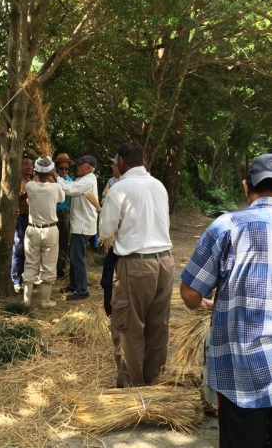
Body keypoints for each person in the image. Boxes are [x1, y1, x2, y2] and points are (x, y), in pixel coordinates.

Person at [180, 154, 272, 448]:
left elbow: (190, 293)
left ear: (247, 186)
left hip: (243, 373)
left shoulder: (227, 226)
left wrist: (207, 304)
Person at [99, 142, 174, 387]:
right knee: (157, 325)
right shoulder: (158, 186)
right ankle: (155, 380)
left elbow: (105, 230)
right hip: (164, 261)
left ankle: (133, 388)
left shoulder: (120, 189)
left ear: (121, 161)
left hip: (136, 264)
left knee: (129, 327)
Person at [23, 157, 65, 309]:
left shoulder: (30, 186)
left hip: (32, 229)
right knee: (49, 265)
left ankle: (26, 301)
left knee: (30, 264)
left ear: (36, 171)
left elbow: (35, 180)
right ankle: (45, 301)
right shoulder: (56, 188)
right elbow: (61, 199)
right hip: (50, 230)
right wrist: (52, 176)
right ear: (51, 172)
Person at [55, 154, 99, 301]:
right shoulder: (84, 179)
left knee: (77, 258)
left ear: (88, 168)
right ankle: (74, 285)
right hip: (79, 224)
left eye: (80, 165)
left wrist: (55, 176)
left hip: (82, 225)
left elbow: (69, 189)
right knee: (74, 257)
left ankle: (82, 290)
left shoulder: (88, 180)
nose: (77, 167)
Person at [100, 155, 122, 316]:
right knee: (109, 270)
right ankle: (108, 308)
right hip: (112, 238)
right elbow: (103, 198)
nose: (112, 168)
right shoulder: (110, 182)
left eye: (113, 165)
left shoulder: (128, 185)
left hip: (123, 238)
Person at [11, 156, 34, 293]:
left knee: (29, 250)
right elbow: (16, 199)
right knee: (18, 248)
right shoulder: (17, 181)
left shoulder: (32, 181)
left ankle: (27, 279)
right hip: (20, 217)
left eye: (31, 164)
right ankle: (16, 280)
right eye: (25, 164)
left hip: (31, 218)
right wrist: (28, 193)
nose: (29, 167)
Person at [53, 153, 75, 279]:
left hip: (64, 214)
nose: (64, 171)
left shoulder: (70, 181)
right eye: (61, 168)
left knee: (63, 241)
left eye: (66, 168)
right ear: (56, 168)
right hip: (52, 213)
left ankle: (60, 268)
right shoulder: (51, 179)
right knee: (51, 242)